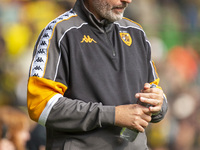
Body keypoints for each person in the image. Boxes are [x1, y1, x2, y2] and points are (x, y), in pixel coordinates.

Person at [27, 0, 168, 149]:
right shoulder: (59, 32)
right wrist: (112, 115)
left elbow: (155, 91)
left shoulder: (137, 32)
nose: (128, 0)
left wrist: (158, 104)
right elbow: (40, 106)